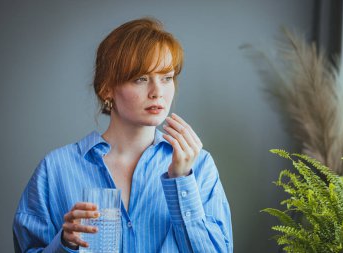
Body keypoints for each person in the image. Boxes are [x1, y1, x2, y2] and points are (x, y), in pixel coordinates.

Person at [13, 17, 233, 253]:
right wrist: (64, 244)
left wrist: (181, 181)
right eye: (141, 79)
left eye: (166, 78)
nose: (157, 92)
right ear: (107, 88)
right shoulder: (55, 169)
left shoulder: (199, 167)